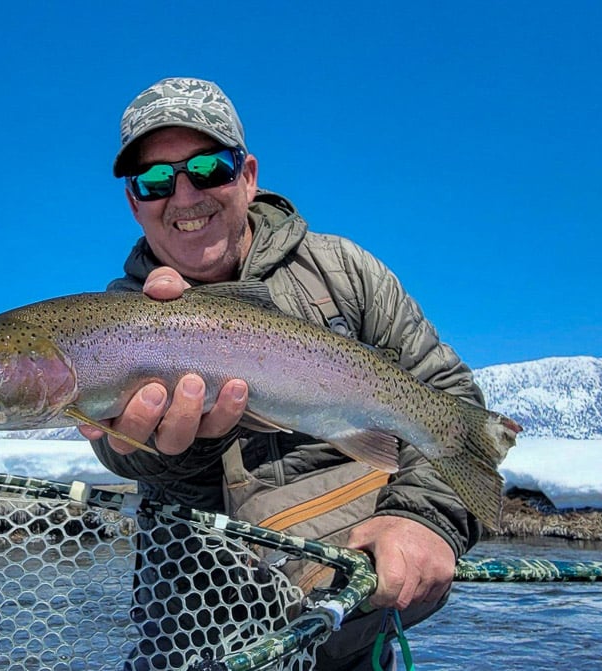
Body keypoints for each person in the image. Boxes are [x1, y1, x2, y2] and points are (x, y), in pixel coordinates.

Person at [78, 77, 488, 670]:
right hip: (198, 636)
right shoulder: (117, 319)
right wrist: (177, 446)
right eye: (156, 180)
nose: (184, 195)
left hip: (349, 623)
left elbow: (445, 400)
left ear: (247, 176)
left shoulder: (344, 274)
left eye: (208, 168)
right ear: (134, 202)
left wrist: (423, 517)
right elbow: (126, 458)